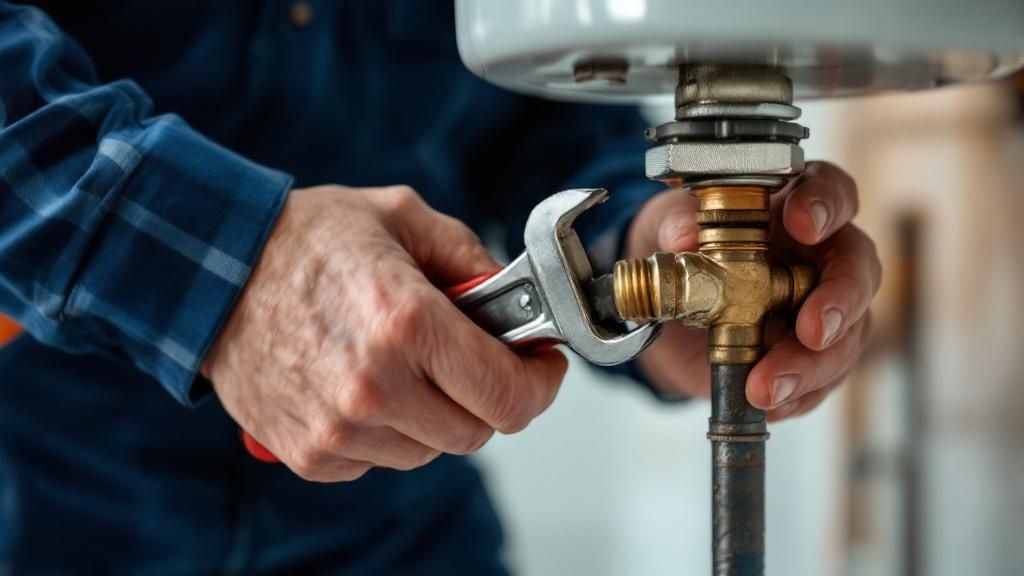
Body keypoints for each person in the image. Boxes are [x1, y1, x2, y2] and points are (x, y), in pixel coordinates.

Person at [0, 1, 880, 574]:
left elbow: (539, 117)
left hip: (405, 534)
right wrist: (239, 269)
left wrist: (645, 256)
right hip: (49, 507)